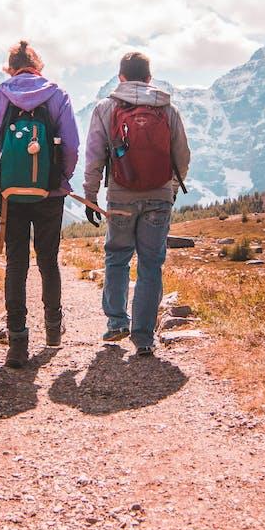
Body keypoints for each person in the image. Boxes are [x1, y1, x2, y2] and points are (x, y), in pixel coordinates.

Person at [0, 41, 79, 368]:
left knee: (16, 263)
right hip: (50, 196)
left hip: (10, 195)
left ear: (10, 68)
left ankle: (17, 344)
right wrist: (59, 179)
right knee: (48, 260)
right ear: (38, 66)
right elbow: (70, 146)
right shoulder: (58, 96)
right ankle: (53, 332)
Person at [82, 50, 191, 356]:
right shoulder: (168, 109)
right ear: (148, 78)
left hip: (120, 196)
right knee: (151, 263)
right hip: (158, 197)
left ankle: (117, 322)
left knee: (117, 257)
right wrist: (168, 190)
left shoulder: (106, 107)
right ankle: (143, 337)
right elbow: (182, 156)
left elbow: (95, 157)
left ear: (120, 78)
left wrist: (90, 196)